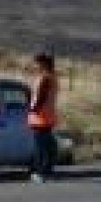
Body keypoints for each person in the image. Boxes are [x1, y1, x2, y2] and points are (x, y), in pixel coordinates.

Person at [28, 51, 59, 183]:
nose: (35, 66)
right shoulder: (52, 77)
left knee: (40, 148)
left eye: (36, 63)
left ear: (42, 63)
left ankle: (39, 172)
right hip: (47, 117)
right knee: (47, 147)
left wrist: (33, 109)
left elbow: (41, 97)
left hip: (39, 118)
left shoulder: (44, 78)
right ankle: (46, 171)